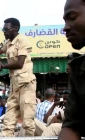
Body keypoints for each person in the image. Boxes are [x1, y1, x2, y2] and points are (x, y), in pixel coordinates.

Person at [0, 18, 36, 136]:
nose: (4, 32)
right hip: (14, 84)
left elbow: (19, 63)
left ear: (15, 29)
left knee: (27, 122)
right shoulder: (7, 42)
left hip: (25, 84)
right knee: (8, 122)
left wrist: (2, 66)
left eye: (6, 29)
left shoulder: (22, 40)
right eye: (3, 29)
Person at [58, 0, 85, 139]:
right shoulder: (79, 70)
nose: (66, 27)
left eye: (72, 17)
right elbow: (72, 127)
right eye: (65, 20)